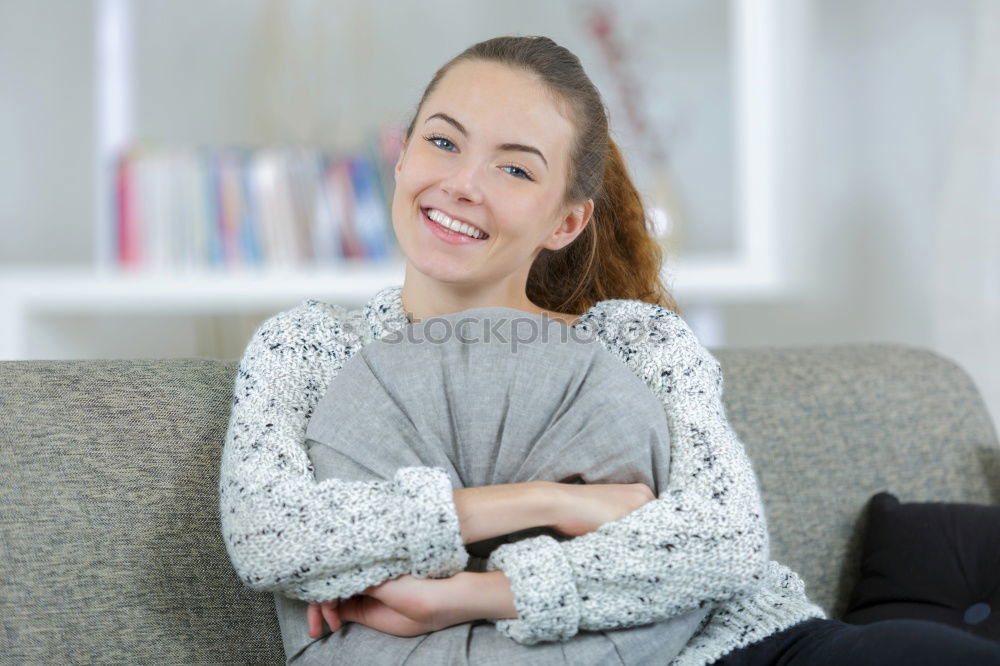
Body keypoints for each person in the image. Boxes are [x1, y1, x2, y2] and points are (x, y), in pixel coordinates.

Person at [219, 35, 1000, 665]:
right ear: (402, 158)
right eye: (443, 142)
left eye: (514, 167)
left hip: (763, 648)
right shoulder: (312, 346)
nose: (462, 183)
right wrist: (558, 501)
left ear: (566, 221)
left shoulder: (634, 340)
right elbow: (270, 536)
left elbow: (723, 542)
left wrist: (473, 592)